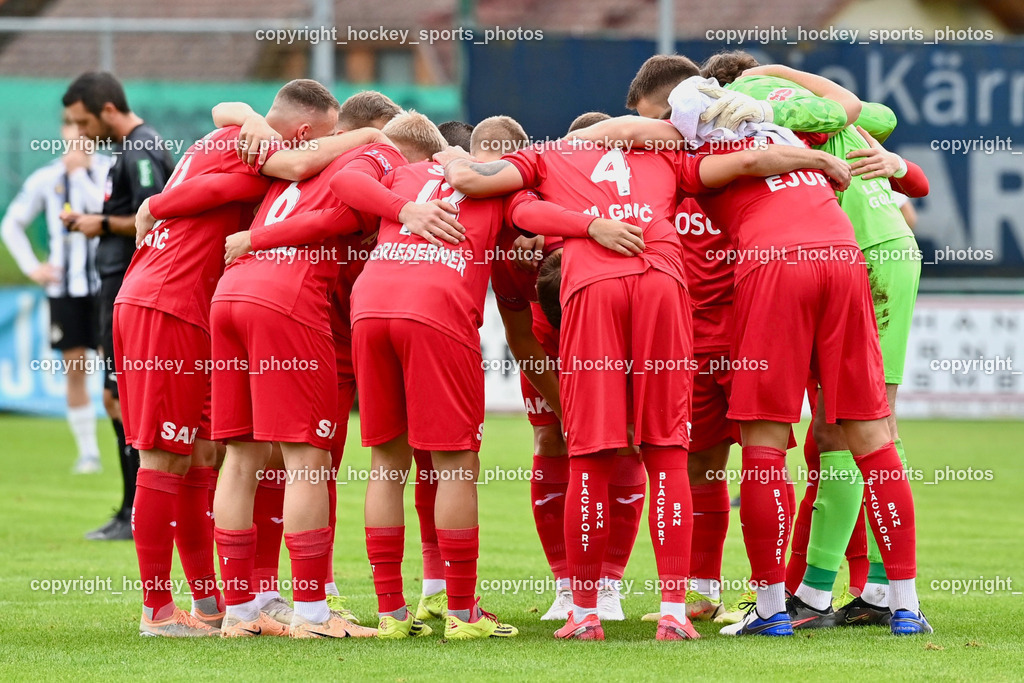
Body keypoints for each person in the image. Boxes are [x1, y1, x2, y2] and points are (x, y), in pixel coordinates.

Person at [441, 120, 840, 641]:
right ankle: (674, 610)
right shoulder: (664, 157)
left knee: (588, 454)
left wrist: (452, 161)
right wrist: (818, 161)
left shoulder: (548, 155)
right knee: (668, 450)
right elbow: (746, 162)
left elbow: (504, 199)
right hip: (662, 282)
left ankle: (584, 612)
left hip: (593, 285)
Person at [61, 71, 175, 541]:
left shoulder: (142, 148)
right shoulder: (127, 150)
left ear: (107, 109)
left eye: (83, 122)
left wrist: (101, 224)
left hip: (136, 287)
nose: (82, 133)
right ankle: (130, 507)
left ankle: (137, 512)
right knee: (116, 397)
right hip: (117, 285)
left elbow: (154, 215)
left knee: (126, 399)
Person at [1, 114, 110, 474]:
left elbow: (106, 213)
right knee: (74, 367)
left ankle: (130, 450)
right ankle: (88, 452)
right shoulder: (46, 178)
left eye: (83, 125)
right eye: (70, 125)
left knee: (116, 370)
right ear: (62, 131)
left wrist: (80, 173)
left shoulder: (109, 170)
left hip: (106, 287)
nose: (77, 133)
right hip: (65, 290)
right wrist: (33, 267)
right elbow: (12, 223)